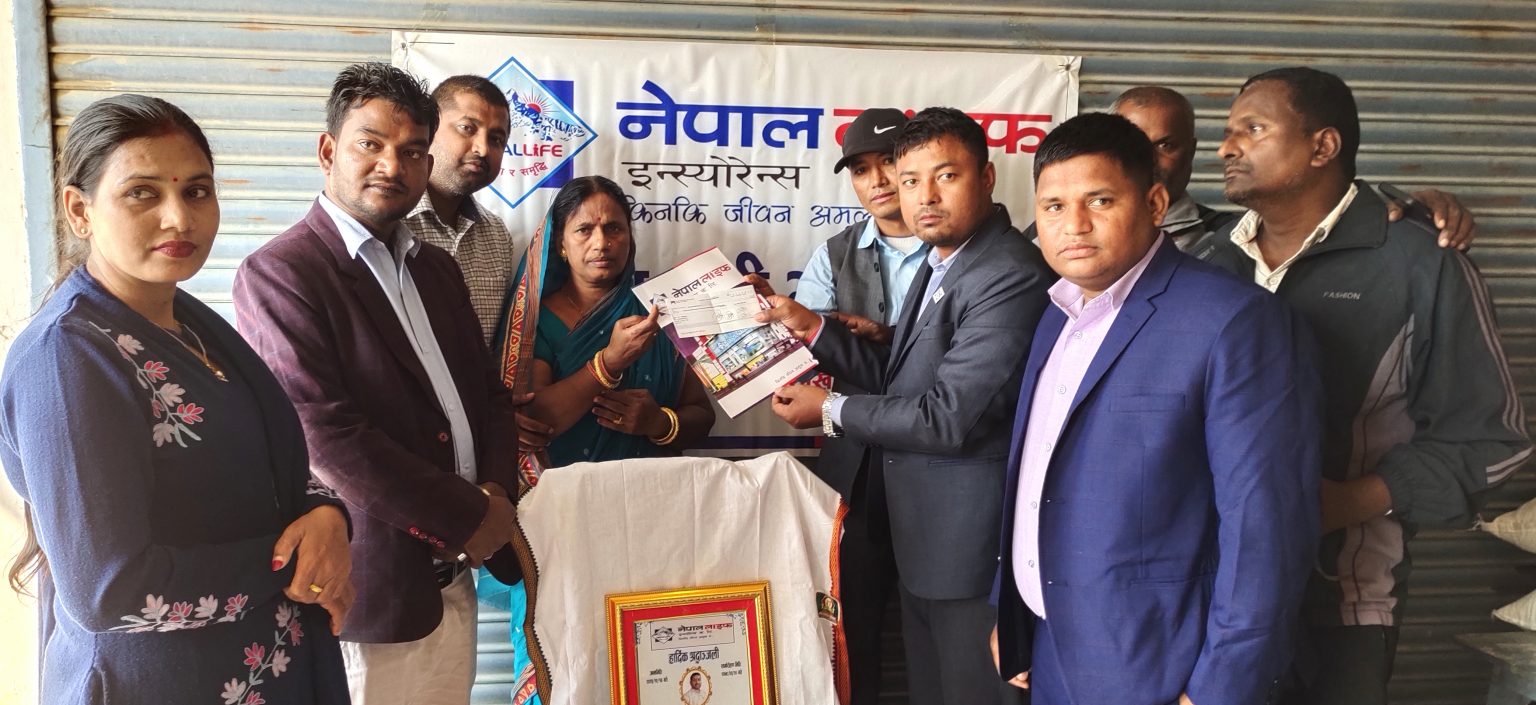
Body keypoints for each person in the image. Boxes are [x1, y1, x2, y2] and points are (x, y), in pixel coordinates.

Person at [0, 94, 352, 704]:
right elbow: (109, 591)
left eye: (196, 191)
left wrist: (328, 516)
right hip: (159, 684)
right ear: (80, 211)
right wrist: (293, 567)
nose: (179, 218)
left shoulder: (188, 322)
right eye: (142, 193)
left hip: (266, 664)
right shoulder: (68, 359)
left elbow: (266, 462)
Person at [1205, 67, 1532, 705]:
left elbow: (1492, 441)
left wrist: (1345, 502)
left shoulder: (1419, 264)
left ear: (1322, 147)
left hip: (1341, 603)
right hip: (1205, 597)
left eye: (1252, 128)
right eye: (1226, 132)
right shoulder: (1211, 260)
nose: (1225, 148)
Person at [990, 112, 1321, 705]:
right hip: (1049, 647)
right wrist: (1011, 613)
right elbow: (1034, 477)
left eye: (1100, 201)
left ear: (1155, 203)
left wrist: (1219, 690)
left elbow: (1265, 527)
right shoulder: (1056, 315)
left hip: (1159, 665)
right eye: (1054, 206)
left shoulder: (1234, 322)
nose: (1074, 225)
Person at [232, 62, 525, 705]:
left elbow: (489, 397)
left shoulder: (437, 269)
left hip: (455, 579)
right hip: (373, 590)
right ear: (328, 151)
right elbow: (326, 437)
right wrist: (469, 516)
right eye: (371, 144)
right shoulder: (281, 274)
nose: (392, 166)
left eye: (412, 151)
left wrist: (496, 496)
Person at [760, 106, 1054, 704]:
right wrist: (815, 329)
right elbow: (899, 381)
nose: (924, 196)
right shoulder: (946, 259)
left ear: (986, 177)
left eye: (945, 176)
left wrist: (831, 410)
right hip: (923, 540)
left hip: (969, 555)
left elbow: (947, 416)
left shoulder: (1008, 273)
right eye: (911, 179)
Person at [480, 175, 717, 702]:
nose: (601, 242)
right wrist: (607, 363)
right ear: (561, 245)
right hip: (557, 527)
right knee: (561, 668)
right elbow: (537, 420)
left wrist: (658, 423)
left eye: (614, 228)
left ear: (630, 237)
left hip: (649, 523)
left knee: (637, 668)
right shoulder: (534, 321)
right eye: (584, 229)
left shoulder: (659, 314)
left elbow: (701, 415)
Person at [769, 107, 917, 705]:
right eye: (861, 169)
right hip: (853, 472)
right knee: (851, 636)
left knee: (943, 638)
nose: (878, 180)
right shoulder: (833, 255)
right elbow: (803, 360)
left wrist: (853, 338)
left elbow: (948, 375)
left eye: (890, 163)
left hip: (940, 471)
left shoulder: (959, 251)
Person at [403, 74, 518, 345]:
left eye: (496, 139)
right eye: (468, 128)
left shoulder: (497, 235)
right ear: (429, 130)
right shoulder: (390, 223)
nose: (482, 148)